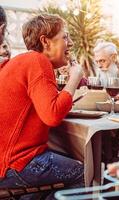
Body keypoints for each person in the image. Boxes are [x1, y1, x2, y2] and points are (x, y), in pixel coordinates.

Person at [0, 14, 84, 199]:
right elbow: (52, 115)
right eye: (65, 37)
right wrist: (74, 78)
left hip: (7, 163)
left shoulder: (18, 63)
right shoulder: (38, 61)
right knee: (86, 173)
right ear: (45, 41)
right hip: (14, 164)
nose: (70, 43)